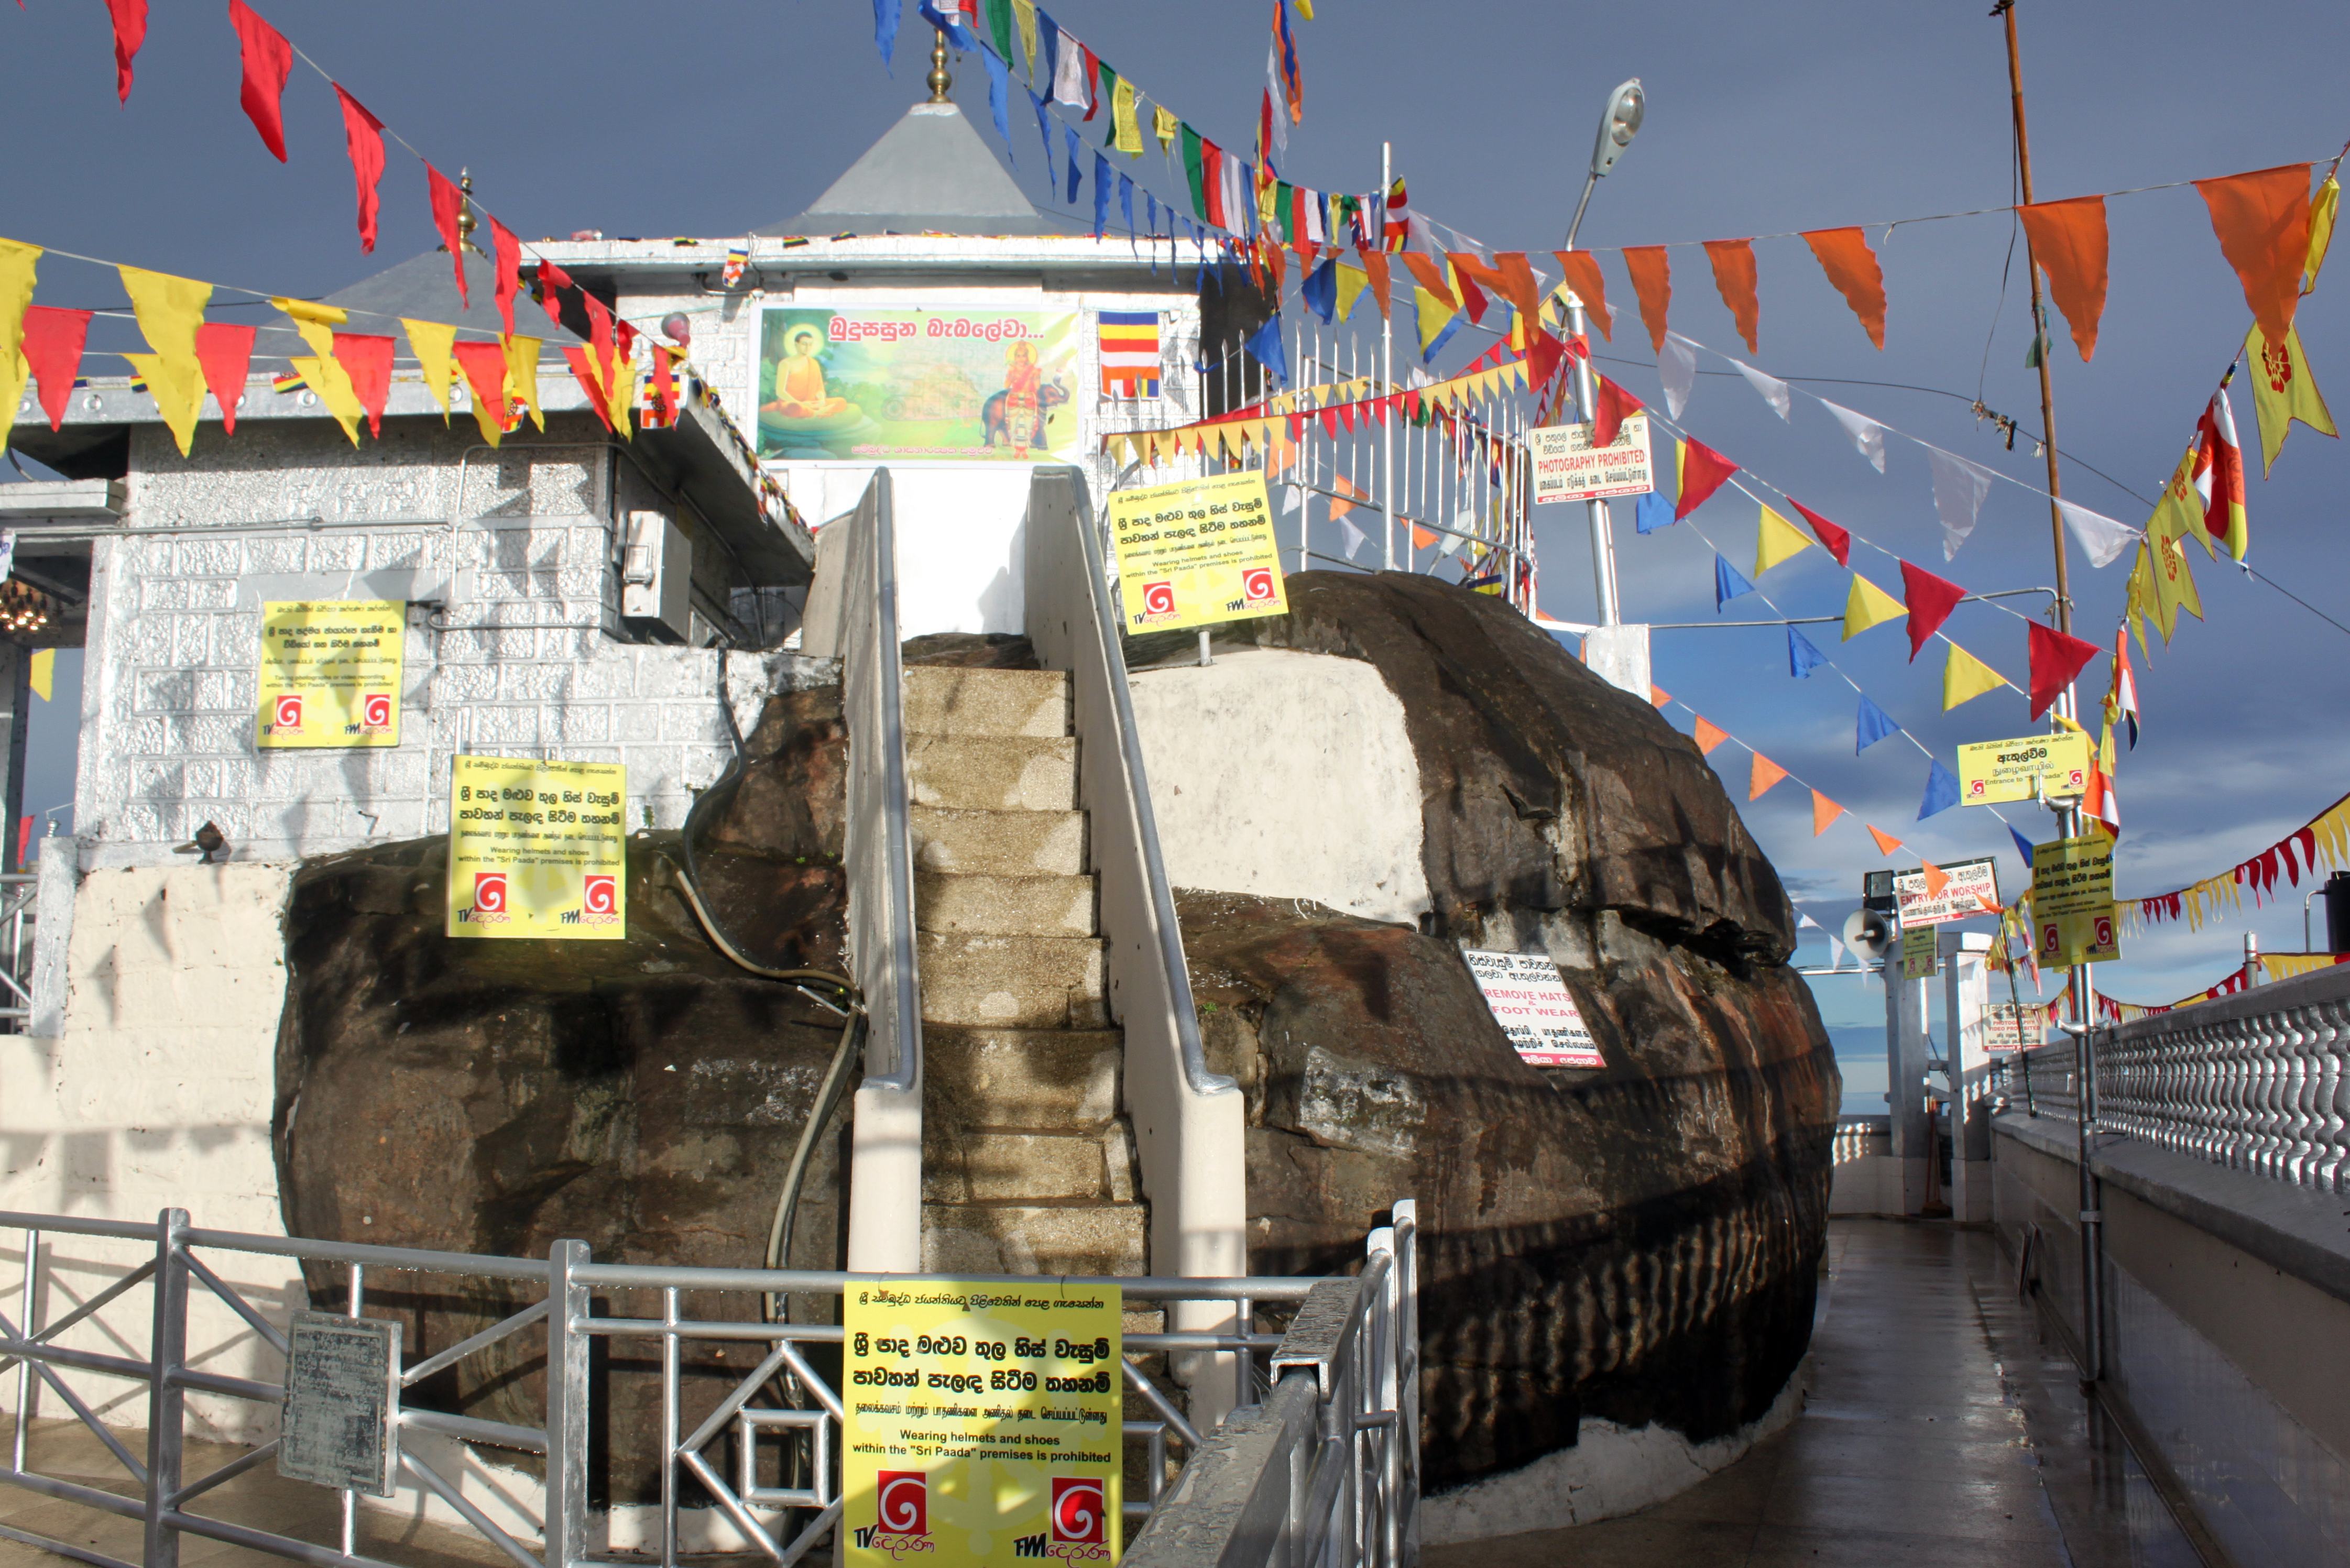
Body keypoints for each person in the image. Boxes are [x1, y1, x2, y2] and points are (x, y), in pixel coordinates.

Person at [766, 324, 848, 419]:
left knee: (841, 402)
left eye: (810, 345)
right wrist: (801, 403)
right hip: (792, 403)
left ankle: (813, 411)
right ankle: (814, 413)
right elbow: (780, 392)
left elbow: (819, 388)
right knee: (794, 409)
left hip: (812, 402)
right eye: (804, 344)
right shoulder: (786, 364)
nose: (807, 347)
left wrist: (821, 400)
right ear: (796, 345)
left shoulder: (814, 363)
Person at [1001, 339, 1041, 458]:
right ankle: (1017, 449)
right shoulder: (1012, 370)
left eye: (1024, 356)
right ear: (1015, 357)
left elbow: (1038, 387)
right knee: (1014, 425)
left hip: (1028, 399)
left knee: (1028, 426)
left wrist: (1036, 376)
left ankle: (1024, 450)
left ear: (1028, 357)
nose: (1021, 359)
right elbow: (1006, 385)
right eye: (1018, 356)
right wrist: (1010, 374)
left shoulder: (1033, 370)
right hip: (1014, 399)